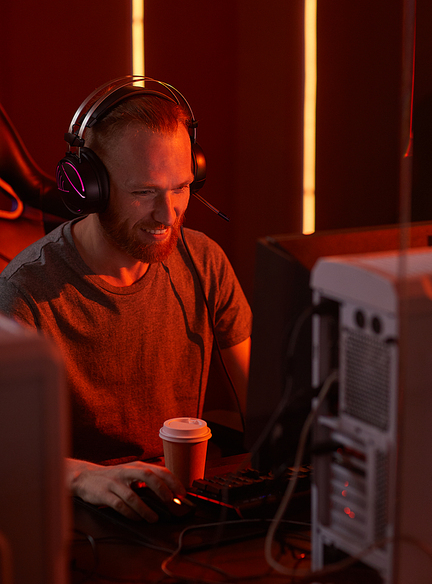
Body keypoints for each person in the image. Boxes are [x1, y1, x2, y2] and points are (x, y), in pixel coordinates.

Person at [0, 79, 252, 523]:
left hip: (180, 509)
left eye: (181, 187)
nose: (168, 214)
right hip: (82, 526)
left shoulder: (205, 261)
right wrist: (80, 477)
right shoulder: (25, 295)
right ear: (89, 188)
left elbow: (266, 404)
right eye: (144, 192)